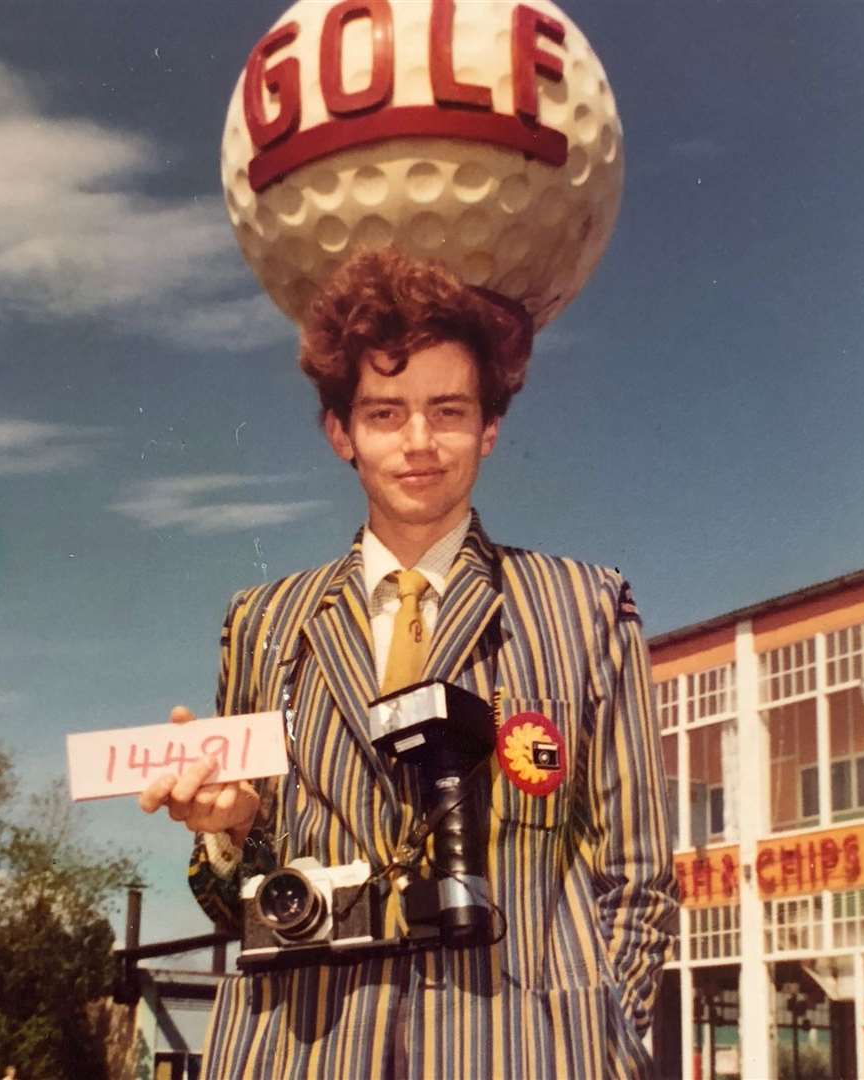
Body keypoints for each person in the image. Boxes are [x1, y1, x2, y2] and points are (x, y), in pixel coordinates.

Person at [141, 248, 676, 1078]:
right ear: (340, 434)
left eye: (448, 410)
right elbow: (235, 909)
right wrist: (232, 833)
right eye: (385, 413)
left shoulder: (586, 608)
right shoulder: (263, 626)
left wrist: (604, 1046)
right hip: (300, 1053)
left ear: (490, 429)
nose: (418, 442)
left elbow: (636, 881)